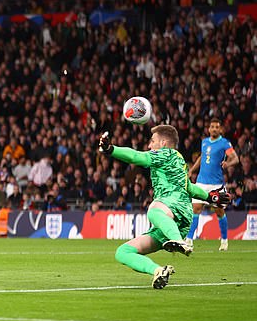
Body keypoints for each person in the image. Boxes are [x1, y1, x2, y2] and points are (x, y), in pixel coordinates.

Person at [98, 125, 230, 289]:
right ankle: (158, 271)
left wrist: (111, 149)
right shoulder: (179, 160)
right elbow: (189, 187)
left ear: (163, 143)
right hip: (172, 221)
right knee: (123, 252)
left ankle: (179, 241)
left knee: (153, 210)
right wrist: (209, 197)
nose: (149, 146)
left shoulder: (165, 154)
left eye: (152, 141)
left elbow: (136, 156)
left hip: (173, 207)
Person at [186, 118, 239, 251]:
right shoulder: (204, 142)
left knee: (219, 211)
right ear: (209, 129)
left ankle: (224, 240)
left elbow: (235, 159)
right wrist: (191, 170)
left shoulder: (224, 143)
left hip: (216, 184)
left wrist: (228, 164)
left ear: (220, 129)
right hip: (201, 182)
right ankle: (189, 240)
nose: (214, 129)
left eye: (217, 127)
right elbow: (202, 157)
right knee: (196, 209)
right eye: (212, 127)